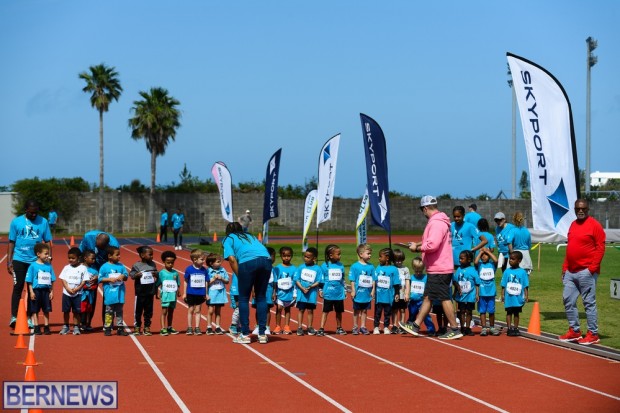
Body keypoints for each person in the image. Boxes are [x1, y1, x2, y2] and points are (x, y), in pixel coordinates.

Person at [402, 195, 463, 340]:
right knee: (428, 297)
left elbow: (432, 245)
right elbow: (431, 241)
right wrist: (417, 244)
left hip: (439, 267)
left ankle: (455, 328)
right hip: (437, 267)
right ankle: (415, 325)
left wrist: (417, 249)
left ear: (425, 208)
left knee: (444, 298)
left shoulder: (436, 223)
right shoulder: (440, 222)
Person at [559, 199, 606, 345]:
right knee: (568, 300)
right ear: (574, 209)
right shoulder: (573, 224)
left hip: (586, 271)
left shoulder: (595, 225)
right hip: (571, 272)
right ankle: (575, 331)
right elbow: (570, 248)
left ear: (588, 209)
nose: (580, 211)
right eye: (578, 209)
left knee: (589, 303)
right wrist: (565, 268)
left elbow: (600, 248)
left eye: (583, 208)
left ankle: (593, 334)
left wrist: (591, 269)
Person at [222, 222, 272, 344]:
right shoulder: (251, 236)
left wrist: (241, 276)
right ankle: (262, 334)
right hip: (266, 260)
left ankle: (244, 334)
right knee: (261, 297)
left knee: (243, 298)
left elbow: (232, 259)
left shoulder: (228, 238)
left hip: (248, 262)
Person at [7, 200, 52, 328]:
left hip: (35, 261)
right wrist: (9, 261)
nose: (34, 215)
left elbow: (47, 241)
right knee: (18, 287)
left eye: (36, 212)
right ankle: (14, 316)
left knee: (34, 289)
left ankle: (29, 317)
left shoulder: (43, 222)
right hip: (19, 259)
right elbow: (11, 242)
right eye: (31, 212)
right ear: (26, 210)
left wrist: (49, 257)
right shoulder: (16, 222)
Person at [25, 243, 55, 335]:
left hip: (46, 291)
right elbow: (29, 281)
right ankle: (36, 327)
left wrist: (52, 291)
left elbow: (52, 280)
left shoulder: (49, 266)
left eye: (48, 253)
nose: (47, 256)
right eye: (45, 253)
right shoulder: (33, 266)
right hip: (36, 291)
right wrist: (31, 292)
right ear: (38, 254)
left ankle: (46, 326)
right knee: (35, 310)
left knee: (46, 310)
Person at [99, 246, 129, 336]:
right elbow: (100, 279)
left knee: (119, 311)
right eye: (117, 254)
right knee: (109, 311)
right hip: (110, 294)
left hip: (120, 294)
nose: (119, 256)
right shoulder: (104, 267)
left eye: (119, 254)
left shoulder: (121, 266)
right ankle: (108, 327)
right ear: (110, 256)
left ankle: (120, 328)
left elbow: (126, 275)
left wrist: (123, 276)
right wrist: (109, 279)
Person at [318, 244, 347, 336]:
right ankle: (321, 328)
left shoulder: (341, 265)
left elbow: (343, 279)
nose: (340, 256)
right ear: (331, 255)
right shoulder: (324, 266)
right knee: (325, 311)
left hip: (338, 293)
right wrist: (320, 290)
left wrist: (345, 290)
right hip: (328, 293)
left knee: (339, 311)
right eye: (338, 254)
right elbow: (321, 279)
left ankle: (339, 327)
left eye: (340, 254)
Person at [58, 247, 88, 335]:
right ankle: (66, 326)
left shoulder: (83, 268)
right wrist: (67, 288)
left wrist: (77, 288)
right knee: (66, 311)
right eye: (69, 258)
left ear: (78, 258)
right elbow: (63, 279)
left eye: (73, 258)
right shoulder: (66, 268)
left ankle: (76, 327)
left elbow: (84, 280)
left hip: (77, 294)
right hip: (66, 293)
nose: (70, 260)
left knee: (76, 312)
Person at [130, 246, 158, 336]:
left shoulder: (153, 264)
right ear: (142, 255)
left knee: (148, 311)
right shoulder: (136, 265)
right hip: (140, 292)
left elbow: (157, 274)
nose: (152, 256)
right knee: (138, 311)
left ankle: (147, 326)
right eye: (150, 254)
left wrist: (155, 274)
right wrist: (137, 275)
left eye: (152, 254)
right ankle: (137, 326)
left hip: (150, 292)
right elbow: (132, 275)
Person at [500, 251, 529, 336]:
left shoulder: (522, 272)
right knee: (509, 313)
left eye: (513, 259)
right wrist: (502, 294)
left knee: (516, 313)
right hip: (509, 297)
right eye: (510, 259)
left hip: (518, 297)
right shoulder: (507, 271)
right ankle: (509, 328)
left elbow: (525, 285)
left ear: (519, 260)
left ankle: (516, 328)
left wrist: (526, 295)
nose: (510, 261)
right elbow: (503, 284)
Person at [348, 243, 375, 335]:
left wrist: (373, 290)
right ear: (361, 254)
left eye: (370, 254)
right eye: (368, 253)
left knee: (364, 310)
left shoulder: (371, 267)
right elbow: (352, 280)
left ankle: (363, 326)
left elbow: (373, 280)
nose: (370, 255)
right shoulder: (355, 266)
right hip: (358, 293)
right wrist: (353, 290)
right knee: (356, 310)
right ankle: (355, 326)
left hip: (367, 293)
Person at [373, 248, 401, 335]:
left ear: (387, 258)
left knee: (387, 313)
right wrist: (373, 290)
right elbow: (374, 280)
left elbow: (396, 282)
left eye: (380, 256)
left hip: (389, 296)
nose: (379, 258)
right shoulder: (378, 268)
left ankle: (386, 327)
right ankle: (376, 327)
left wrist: (397, 293)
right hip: (379, 296)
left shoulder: (394, 269)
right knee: (377, 312)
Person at [294, 247, 321, 336]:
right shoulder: (301, 267)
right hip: (302, 294)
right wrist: (302, 288)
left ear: (314, 258)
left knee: (310, 310)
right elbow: (296, 279)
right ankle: (299, 327)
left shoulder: (317, 269)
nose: (305, 258)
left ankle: (310, 327)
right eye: (305, 256)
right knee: (301, 310)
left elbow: (318, 281)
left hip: (311, 294)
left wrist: (310, 287)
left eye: (308, 257)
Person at [405, 257, 435, 335]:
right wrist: (407, 295)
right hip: (413, 301)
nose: (418, 273)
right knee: (412, 314)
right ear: (413, 268)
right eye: (416, 271)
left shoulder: (426, 277)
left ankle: (431, 330)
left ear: (423, 269)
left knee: (426, 316)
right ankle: (410, 326)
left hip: (422, 301)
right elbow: (408, 287)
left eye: (420, 271)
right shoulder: (411, 277)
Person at [453, 250, 480, 336]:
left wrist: (477, 294)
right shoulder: (459, 269)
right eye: (459, 258)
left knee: (469, 311)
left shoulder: (473, 270)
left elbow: (477, 283)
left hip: (470, 295)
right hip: (461, 295)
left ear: (469, 259)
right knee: (461, 311)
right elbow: (455, 281)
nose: (460, 260)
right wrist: (455, 292)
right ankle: (462, 328)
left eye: (462, 258)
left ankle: (468, 328)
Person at [474, 247, 500, 336]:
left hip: (491, 292)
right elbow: (475, 262)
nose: (483, 257)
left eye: (485, 255)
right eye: (482, 255)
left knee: (491, 311)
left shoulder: (492, 265)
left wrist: (488, 252)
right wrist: (480, 252)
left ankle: (492, 327)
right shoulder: (479, 265)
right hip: (482, 292)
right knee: (482, 311)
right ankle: (484, 328)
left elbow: (496, 260)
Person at [183, 249, 209, 335]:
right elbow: (186, 281)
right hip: (191, 293)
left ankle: (197, 327)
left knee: (198, 310)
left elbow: (206, 282)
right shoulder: (189, 269)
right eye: (202, 259)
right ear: (195, 260)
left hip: (200, 293)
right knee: (191, 310)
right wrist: (184, 293)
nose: (204, 261)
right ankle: (190, 327)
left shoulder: (204, 270)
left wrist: (206, 293)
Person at [156, 250, 181, 336]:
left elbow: (177, 283)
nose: (170, 264)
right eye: (168, 262)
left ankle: (169, 327)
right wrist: (157, 293)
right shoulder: (162, 273)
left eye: (172, 262)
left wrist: (178, 291)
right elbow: (157, 284)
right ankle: (163, 328)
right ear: (164, 262)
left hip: (173, 295)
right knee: (164, 311)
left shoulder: (175, 273)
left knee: (171, 312)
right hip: (165, 295)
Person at [273, 246, 296, 335]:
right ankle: (278, 326)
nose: (286, 258)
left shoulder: (294, 268)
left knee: (288, 309)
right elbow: (275, 281)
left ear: (291, 256)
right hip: (280, 294)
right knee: (279, 308)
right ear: (281, 256)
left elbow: (295, 282)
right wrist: (275, 293)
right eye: (284, 256)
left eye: (288, 256)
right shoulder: (277, 268)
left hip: (289, 294)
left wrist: (295, 294)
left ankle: (287, 326)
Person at [206, 253, 229, 335]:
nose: (220, 263)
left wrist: (221, 278)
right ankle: (209, 327)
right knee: (210, 311)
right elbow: (206, 283)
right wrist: (213, 279)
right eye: (218, 262)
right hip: (211, 294)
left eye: (220, 261)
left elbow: (227, 281)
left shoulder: (223, 270)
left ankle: (217, 327)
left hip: (220, 294)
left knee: (218, 311)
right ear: (211, 263)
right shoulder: (208, 271)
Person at [391, 249, 410, 334]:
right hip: (394, 293)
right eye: (396, 260)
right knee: (394, 309)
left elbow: (407, 281)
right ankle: (394, 325)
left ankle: (402, 325)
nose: (399, 262)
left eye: (400, 260)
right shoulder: (392, 268)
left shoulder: (405, 269)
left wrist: (407, 293)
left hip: (403, 293)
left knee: (402, 310)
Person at [80, 250, 99, 332]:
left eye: (94, 259)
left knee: (89, 309)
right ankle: (81, 324)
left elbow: (96, 283)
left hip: (90, 294)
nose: (94, 260)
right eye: (92, 259)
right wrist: (83, 287)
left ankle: (87, 324)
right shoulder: (80, 268)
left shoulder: (95, 271)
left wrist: (93, 287)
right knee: (82, 308)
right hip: (81, 293)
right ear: (85, 258)